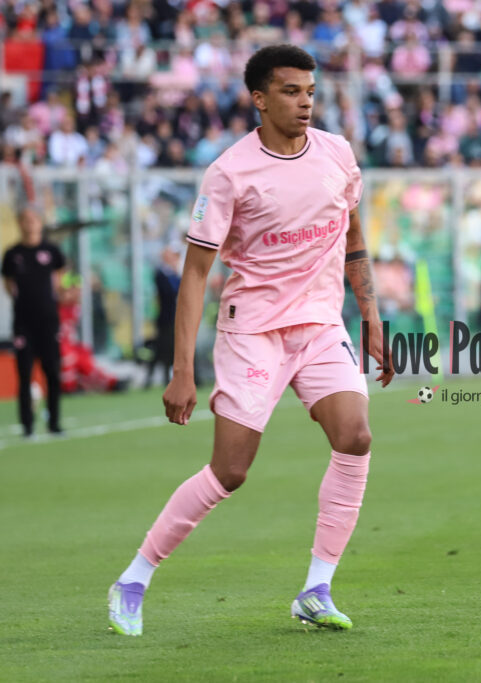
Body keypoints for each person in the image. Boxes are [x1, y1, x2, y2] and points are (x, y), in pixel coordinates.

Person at [107, 45, 394, 637]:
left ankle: (317, 588)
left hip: (320, 325)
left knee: (356, 435)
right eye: (290, 92)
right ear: (259, 99)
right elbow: (195, 275)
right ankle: (134, 578)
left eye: (310, 91)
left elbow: (354, 237)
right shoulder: (229, 173)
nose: (305, 102)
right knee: (230, 471)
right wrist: (182, 370)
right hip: (252, 332)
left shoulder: (338, 154)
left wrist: (371, 316)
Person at [1, 205, 66, 437]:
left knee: (52, 372)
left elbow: (60, 279)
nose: (29, 224)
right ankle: (27, 425)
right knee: (25, 373)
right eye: (25, 220)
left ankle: (54, 423)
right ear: (20, 223)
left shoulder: (51, 251)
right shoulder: (12, 254)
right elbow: (9, 285)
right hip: (23, 323)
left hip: (48, 321)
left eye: (33, 219)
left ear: (40, 222)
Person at [146, 245, 181, 388]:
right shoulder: (161, 274)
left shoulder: (174, 273)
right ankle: (152, 379)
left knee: (169, 348)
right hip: (166, 319)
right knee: (162, 348)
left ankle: (163, 377)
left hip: (174, 318)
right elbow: (171, 292)